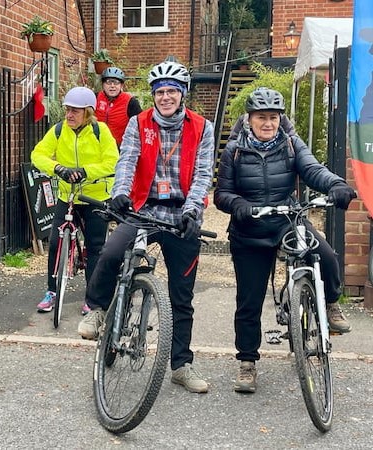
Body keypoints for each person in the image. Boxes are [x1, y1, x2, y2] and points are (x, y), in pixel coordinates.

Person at [78, 61, 215, 394]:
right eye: (159, 92)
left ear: (182, 94)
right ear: (153, 95)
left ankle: (181, 365)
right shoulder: (138, 123)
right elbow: (127, 159)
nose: (165, 97)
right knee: (111, 252)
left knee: (182, 297)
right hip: (143, 209)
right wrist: (121, 193)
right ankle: (98, 311)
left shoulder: (201, 127)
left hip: (182, 214)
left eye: (171, 91)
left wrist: (192, 209)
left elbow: (203, 173)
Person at [214, 87, 357, 393]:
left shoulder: (290, 143)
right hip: (249, 229)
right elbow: (222, 194)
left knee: (325, 254)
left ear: (280, 119)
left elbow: (312, 168)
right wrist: (238, 205)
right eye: (262, 117)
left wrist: (336, 184)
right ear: (249, 119)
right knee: (248, 303)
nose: (268, 124)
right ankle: (248, 363)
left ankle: (330, 304)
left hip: (286, 221)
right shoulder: (234, 149)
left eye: (274, 118)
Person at [31, 86, 119, 315]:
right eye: (67, 110)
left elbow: (112, 162)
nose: (69, 115)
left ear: (88, 113)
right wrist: (57, 168)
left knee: (95, 247)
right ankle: (51, 291)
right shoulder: (59, 130)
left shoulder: (101, 132)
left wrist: (85, 171)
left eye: (75, 111)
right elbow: (37, 155)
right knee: (54, 244)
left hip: (95, 196)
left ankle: (92, 297)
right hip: (67, 195)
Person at [95, 67, 142, 148]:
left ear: (121, 85)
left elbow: (140, 125)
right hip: (97, 145)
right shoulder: (95, 98)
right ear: (103, 84)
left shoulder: (130, 102)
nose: (112, 86)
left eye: (116, 83)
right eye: (108, 82)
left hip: (120, 147)